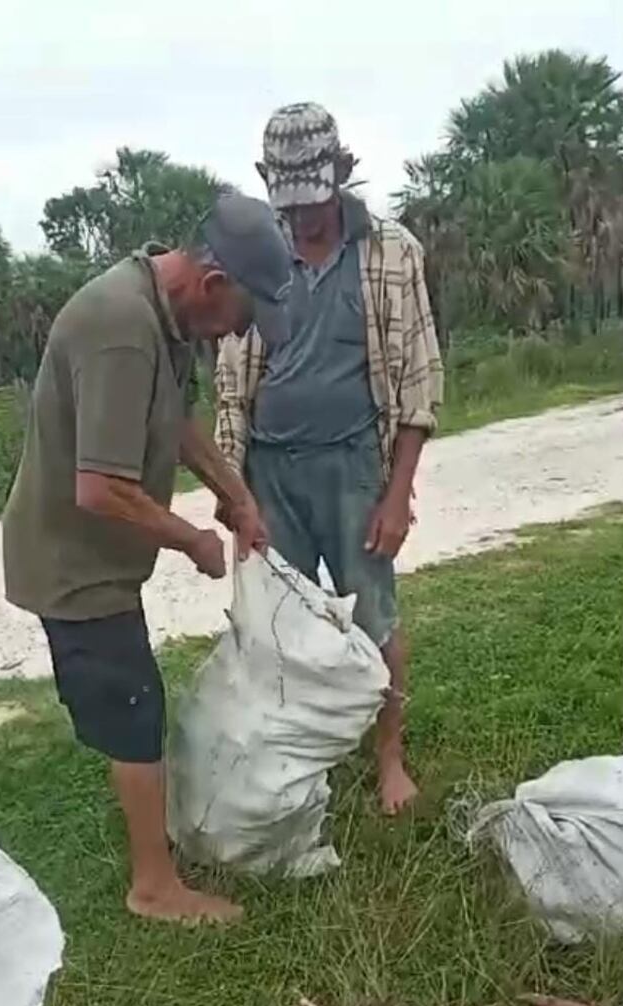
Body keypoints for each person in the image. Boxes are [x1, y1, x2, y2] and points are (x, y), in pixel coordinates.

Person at [3, 192, 292, 923]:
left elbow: (179, 420)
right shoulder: (121, 326)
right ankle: (153, 886)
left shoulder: (163, 319)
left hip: (98, 553)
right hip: (72, 559)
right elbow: (100, 490)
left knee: (132, 700)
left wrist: (237, 497)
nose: (235, 336)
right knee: (133, 705)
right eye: (244, 319)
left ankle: (154, 848)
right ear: (214, 285)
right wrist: (192, 538)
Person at [215, 103, 443, 814]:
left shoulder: (393, 252)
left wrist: (397, 494)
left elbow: (418, 382)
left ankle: (390, 760)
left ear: (341, 173)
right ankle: (291, 769)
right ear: (265, 183)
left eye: (315, 200)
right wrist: (233, 489)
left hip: (352, 468)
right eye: (289, 202)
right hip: (268, 474)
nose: (304, 219)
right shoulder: (256, 256)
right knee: (276, 629)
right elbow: (228, 381)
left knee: (373, 617)